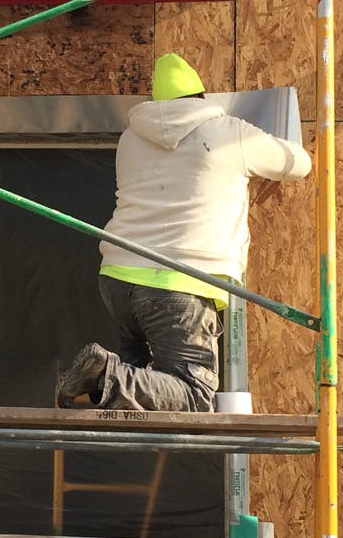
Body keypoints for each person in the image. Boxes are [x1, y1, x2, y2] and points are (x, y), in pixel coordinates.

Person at [56, 53, 312, 412]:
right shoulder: (227, 133)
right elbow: (299, 164)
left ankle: (106, 379)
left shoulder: (131, 138)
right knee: (194, 395)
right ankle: (102, 375)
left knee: (141, 391)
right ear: (202, 99)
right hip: (178, 283)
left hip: (117, 280)